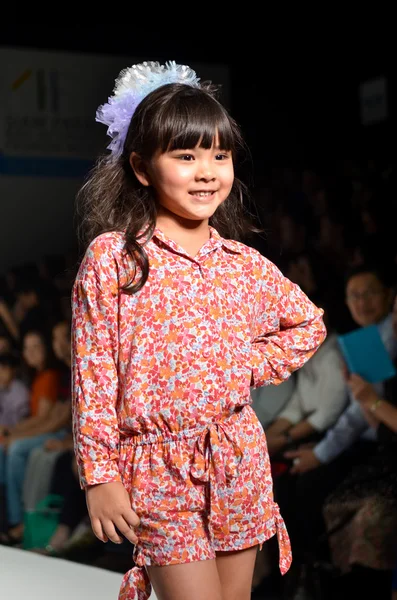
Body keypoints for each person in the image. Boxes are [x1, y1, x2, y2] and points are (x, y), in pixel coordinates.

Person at [72, 60, 326, 600]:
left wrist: (243, 364)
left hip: (238, 458)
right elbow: (92, 375)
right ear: (142, 167)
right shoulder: (114, 259)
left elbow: (309, 323)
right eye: (186, 156)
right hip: (157, 468)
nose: (207, 170)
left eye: (220, 154)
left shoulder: (243, 265)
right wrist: (99, 475)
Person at [322, 293, 397, 600]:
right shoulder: (387, 353)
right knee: (335, 505)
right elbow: (381, 425)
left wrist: (372, 401)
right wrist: (360, 394)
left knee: (370, 517)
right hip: (387, 455)